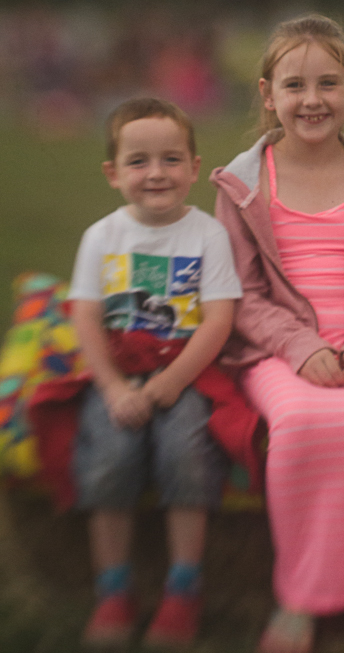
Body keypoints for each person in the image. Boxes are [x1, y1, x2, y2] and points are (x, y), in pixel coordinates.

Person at [211, 15, 344, 653]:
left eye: (328, 83)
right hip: (281, 351)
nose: (312, 100)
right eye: (295, 85)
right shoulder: (243, 185)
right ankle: (302, 594)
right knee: (303, 425)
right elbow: (241, 294)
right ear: (267, 94)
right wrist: (301, 348)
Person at [69, 97, 243, 648]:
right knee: (110, 454)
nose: (156, 173)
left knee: (186, 451)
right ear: (113, 174)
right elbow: (86, 316)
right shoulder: (102, 236)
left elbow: (218, 320)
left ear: (194, 168)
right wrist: (114, 388)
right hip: (119, 372)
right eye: (138, 161)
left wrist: (172, 383)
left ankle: (183, 586)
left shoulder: (208, 235)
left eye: (171, 159)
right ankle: (114, 588)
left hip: (184, 372)